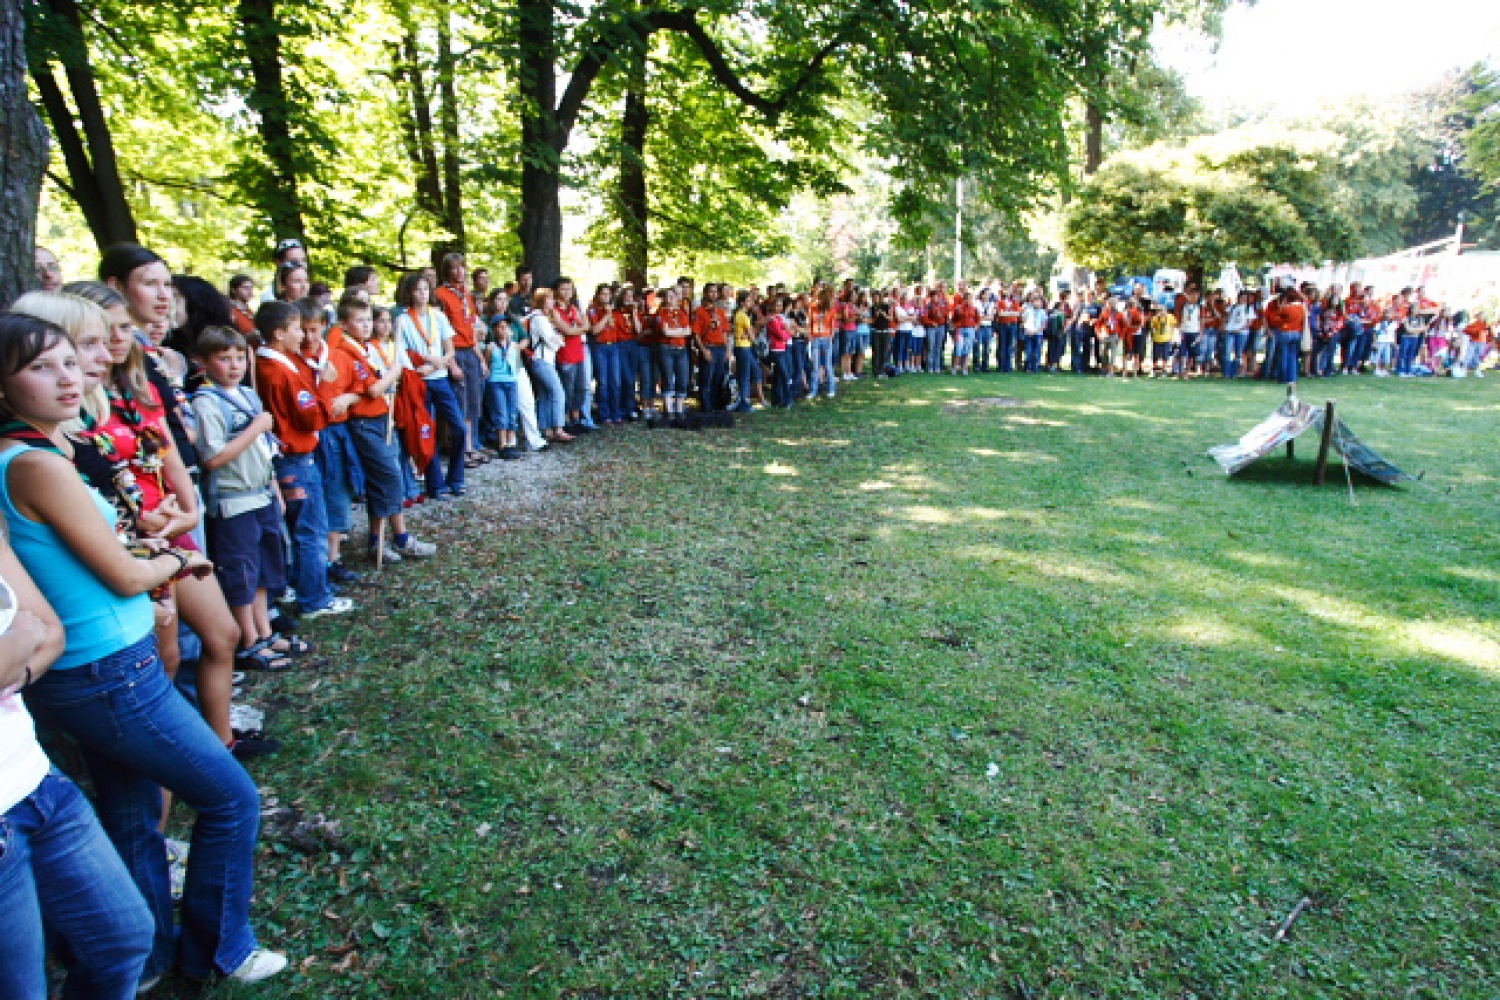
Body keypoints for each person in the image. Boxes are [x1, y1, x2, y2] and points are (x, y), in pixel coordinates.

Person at [0, 312, 284, 986]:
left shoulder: (44, 450)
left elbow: (101, 556)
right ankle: (222, 945)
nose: (68, 376)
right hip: (107, 672)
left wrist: (150, 556)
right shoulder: (35, 463)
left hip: (95, 666)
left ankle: (155, 957)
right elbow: (123, 575)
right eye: (41, 366)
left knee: (133, 813)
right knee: (231, 798)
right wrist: (171, 563)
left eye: (70, 360)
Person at [190, 326, 298, 701]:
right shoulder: (207, 403)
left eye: (239, 357)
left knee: (267, 566)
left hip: (262, 494)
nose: (234, 365)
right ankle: (249, 641)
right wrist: (255, 428)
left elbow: (263, 451)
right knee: (242, 571)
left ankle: (266, 630)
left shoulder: (249, 395)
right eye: (224, 358)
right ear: (203, 363)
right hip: (234, 501)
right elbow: (213, 457)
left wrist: (274, 490)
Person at [255, 300, 353, 618]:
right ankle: (315, 598)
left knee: (303, 528)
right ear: (279, 333)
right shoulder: (278, 370)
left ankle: (304, 584)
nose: (303, 336)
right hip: (296, 459)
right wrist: (326, 384)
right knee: (310, 528)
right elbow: (310, 417)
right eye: (297, 329)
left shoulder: (281, 363)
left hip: (295, 458)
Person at [394, 271, 467, 498]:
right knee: (427, 430)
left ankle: (456, 478)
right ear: (409, 293)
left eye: (425, 289)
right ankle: (435, 484)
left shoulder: (438, 316)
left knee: (459, 428)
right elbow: (401, 351)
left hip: (440, 378)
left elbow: (450, 349)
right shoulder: (403, 320)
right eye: (417, 290)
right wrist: (424, 365)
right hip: (419, 381)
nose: (422, 294)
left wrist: (437, 365)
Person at [432, 253, 488, 463]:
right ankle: (459, 449)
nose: (459, 272)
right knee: (460, 402)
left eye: (462, 267)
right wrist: (452, 362)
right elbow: (441, 333)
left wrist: (481, 359)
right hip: (454, 352)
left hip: (470, 351)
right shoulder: (440, 295)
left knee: (474, 401)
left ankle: (471, 446)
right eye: (454, 268)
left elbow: (471, 328)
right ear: (447, 271)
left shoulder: (466, 294)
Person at [1264, 285, 1308, 384]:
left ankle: (1283, 377)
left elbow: (1275, 319)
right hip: (1297, 332)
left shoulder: (1286, 308)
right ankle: (1293, 378)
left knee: (1283, 356)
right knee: (1293, 356)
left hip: (1285, 332)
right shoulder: (1301, 308)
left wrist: (1281, 307)